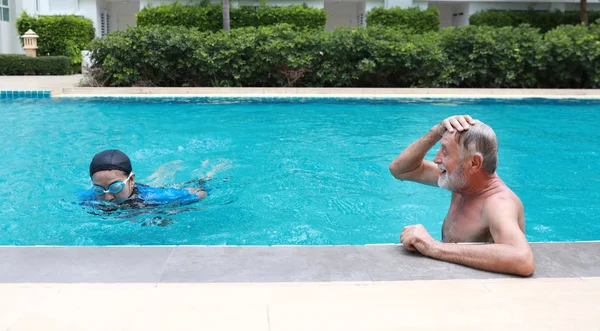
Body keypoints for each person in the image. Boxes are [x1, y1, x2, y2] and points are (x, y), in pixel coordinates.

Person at [389, 115, 535, 277]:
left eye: (445, 151)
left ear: (474, 163)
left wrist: (432, 246)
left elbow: (522, 260)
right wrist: (436, 131)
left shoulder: (498, 203)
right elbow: (400, 170)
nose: (436, 159)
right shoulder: (462, 180)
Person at [77, 149, 207, 210]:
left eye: (115, 187)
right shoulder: (91, 197)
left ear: (131, 180)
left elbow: (200, 192)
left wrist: (174, 208)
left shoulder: (153, 196)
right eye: (99, 189)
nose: (108, 197)